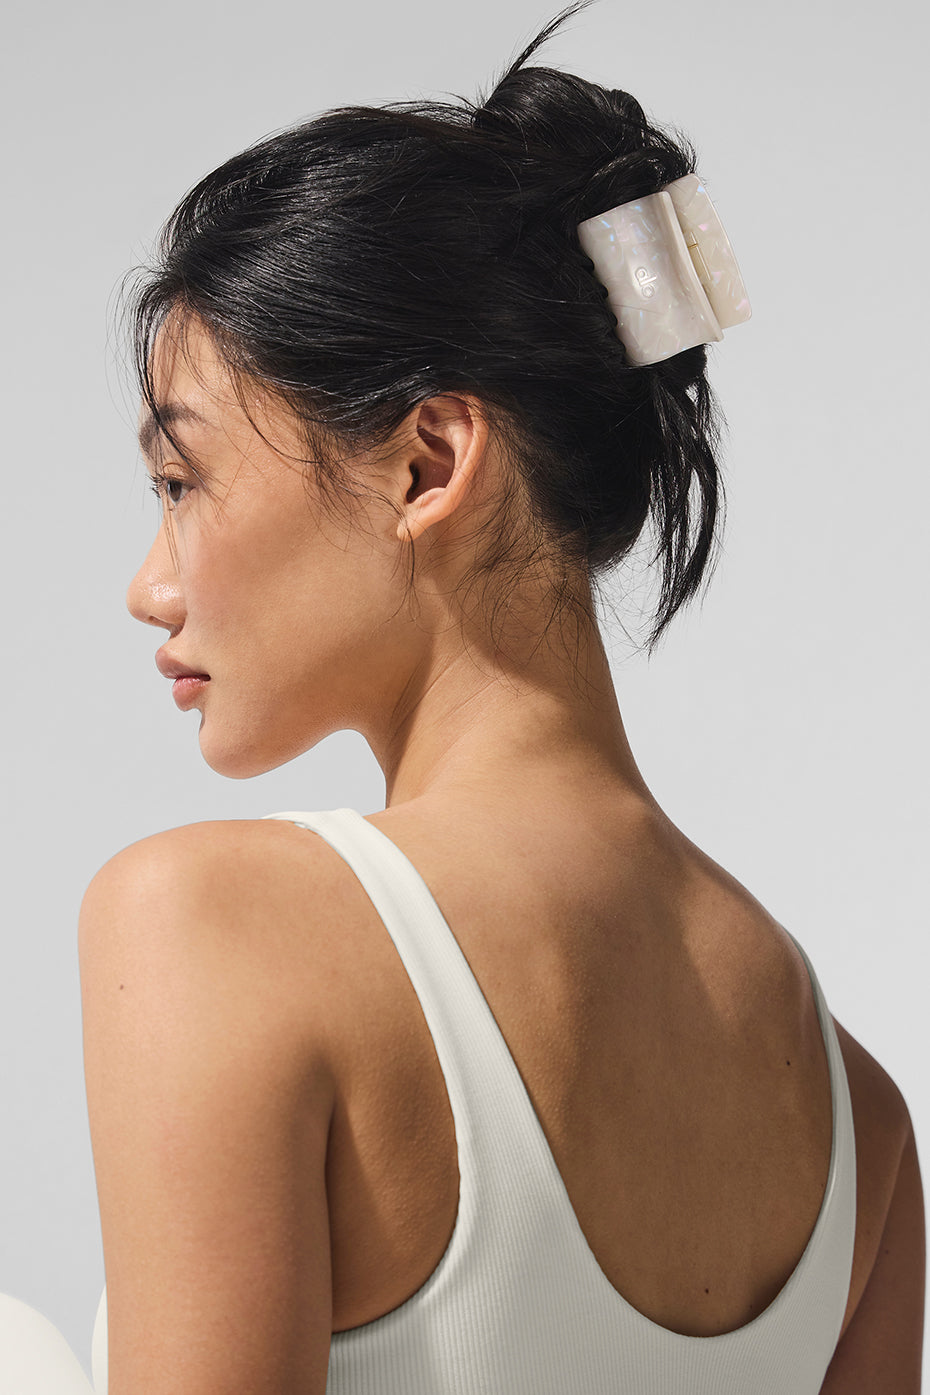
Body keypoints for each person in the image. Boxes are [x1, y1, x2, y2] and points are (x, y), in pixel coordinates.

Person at [1, 5, 923, 1392]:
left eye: (181, 482)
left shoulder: (213, 925)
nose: (149, 585)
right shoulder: (862, 1126)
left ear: (428, 462)